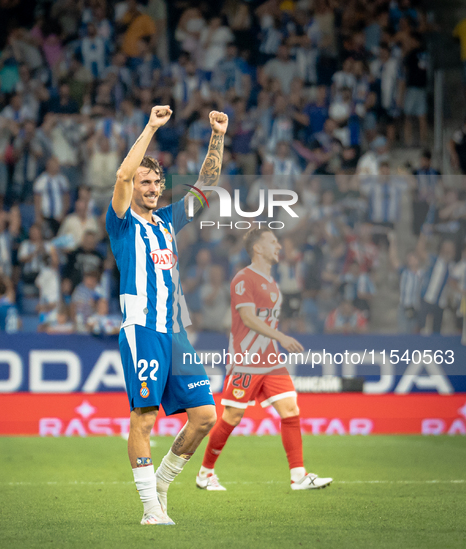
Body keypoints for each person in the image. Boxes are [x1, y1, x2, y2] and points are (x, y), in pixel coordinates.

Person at [105, 105, 228, 525]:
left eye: (157, 182)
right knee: (144, 417)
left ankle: (160, 485)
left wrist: (218, 136)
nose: (153, 188)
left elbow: (206, 184)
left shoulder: (167, 222)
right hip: (142, 329)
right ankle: (150, 510)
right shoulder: (121, 221)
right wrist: (152, 127)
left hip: (175, 334)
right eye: (147, 181)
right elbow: (122, 176)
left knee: (206, 416)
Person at [197, 228, 332, 492]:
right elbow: (248, 318)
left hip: (271, 360)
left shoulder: (271, 282)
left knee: (291, 410)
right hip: (245, 360)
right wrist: (281, 336)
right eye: (272, 242)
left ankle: (298, 476)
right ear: (258, 248)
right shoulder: (243, 279)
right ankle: (205, 473)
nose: (279, 246)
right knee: (232, 417)